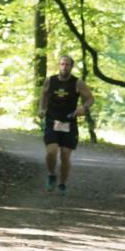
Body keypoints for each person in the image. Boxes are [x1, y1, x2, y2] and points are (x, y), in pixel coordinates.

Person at [38, 55, 95, 195]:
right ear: (59, 65)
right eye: (62, 64)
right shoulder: (50, 81)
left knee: (64, 155)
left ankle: (62, 183)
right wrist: (41, 109)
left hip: (69, 123)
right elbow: (44, 95)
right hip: (52, 121)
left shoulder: (77, 83)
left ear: (71, 66)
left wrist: (83, 108)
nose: (64, 67)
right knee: (51, 152)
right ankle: (52, 174)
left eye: (67, 65)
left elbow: (90, 99)